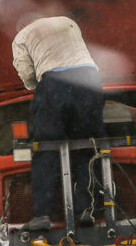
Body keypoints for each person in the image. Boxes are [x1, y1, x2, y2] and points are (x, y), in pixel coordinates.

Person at [12, 15, 104, 230]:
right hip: (89, 80)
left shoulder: (22, 36)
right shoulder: (68, 21)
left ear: (22, 25)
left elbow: (27, 76)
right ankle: (86, 210)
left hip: (55, 85)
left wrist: (40, 87)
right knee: (87, 146)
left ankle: (43, 215)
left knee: (47, 147)